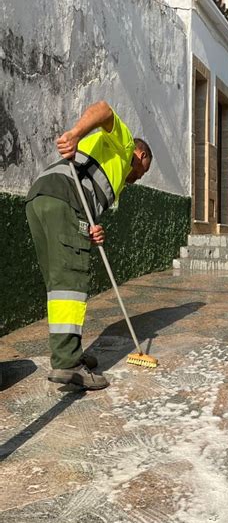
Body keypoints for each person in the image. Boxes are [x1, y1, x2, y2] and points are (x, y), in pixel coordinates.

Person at [25, 101, 152, 390]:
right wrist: (75, 134)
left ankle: (69, 352)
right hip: (64, 197)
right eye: (141, 171)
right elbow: (104, 109)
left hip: (41, 198)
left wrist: (92, 227)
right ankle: (68, 364)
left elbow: (88, 203)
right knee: (70, 281)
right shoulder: (124, 144)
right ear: (140, 154)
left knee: (59, 282)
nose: (137, 179)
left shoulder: (110, 168)